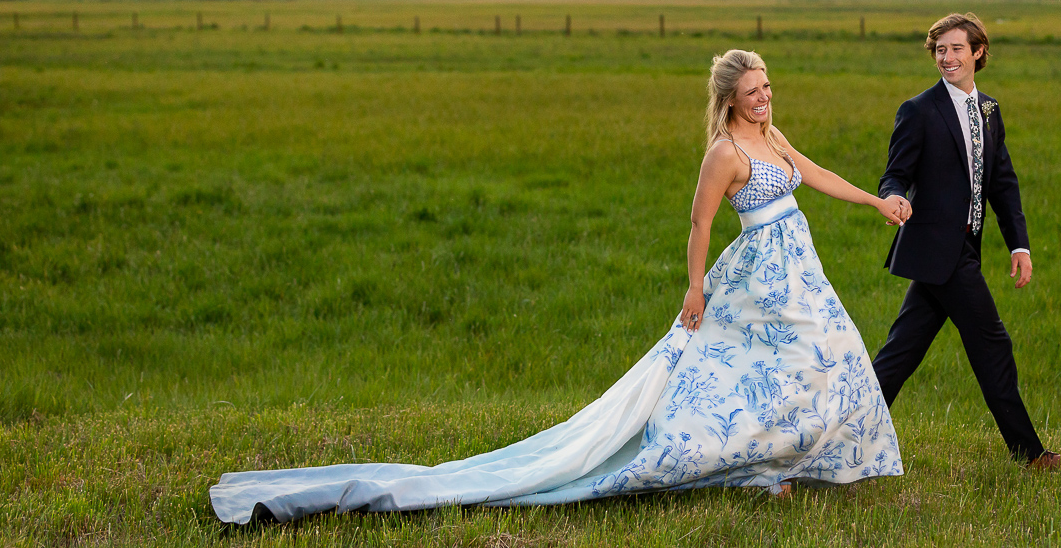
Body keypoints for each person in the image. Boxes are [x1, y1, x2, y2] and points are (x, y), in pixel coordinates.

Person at [210, 49, 905, 523]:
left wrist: (876, 203)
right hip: (756, 274)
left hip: (799, 271)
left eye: (768, 88)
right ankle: (750, 461)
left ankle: (778, 460)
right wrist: (694, 286)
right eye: (753, 92)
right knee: (740, 372)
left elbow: (813, 174)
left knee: (821, 357)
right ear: (729, 98)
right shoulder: (724, 151)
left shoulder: (773, 135)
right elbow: (698, 224)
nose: (764, 97)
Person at [871, 13, 1061, 470]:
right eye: (939, 50)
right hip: (937, 249)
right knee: (992, 343)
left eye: (955, 49)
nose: (947, 58)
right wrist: (892, 196)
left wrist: (1019, 245)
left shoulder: (989, 110)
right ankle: (1031, 456)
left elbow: (1002, 183)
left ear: (978, 52)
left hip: (963, 249)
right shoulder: (918, 110)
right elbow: (896, 172)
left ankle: (834, 448)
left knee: (899, 356)